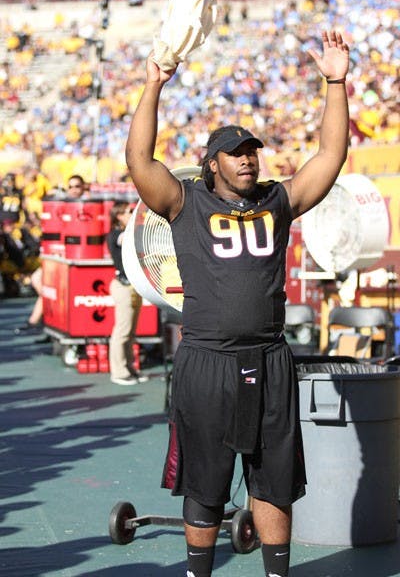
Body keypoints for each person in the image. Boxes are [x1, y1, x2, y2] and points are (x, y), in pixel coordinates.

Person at [125, 30, 349, 577]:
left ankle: (278, 574)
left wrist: (336, 82)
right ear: (212, 164)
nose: (248, 160)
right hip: (207, 359)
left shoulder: (279, 198)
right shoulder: (184, 201)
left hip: (269, 358)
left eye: (253, 151)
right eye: (236, 153)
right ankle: (198, 572)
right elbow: (138, 158)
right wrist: (153, 86)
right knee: (204, 479)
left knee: (274, 480)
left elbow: (331, 155)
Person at [14, 174, 87, 334]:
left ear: (83, 187)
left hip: (78, 257)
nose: (74, 190)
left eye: (77, 186)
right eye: (71, 187)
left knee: (49, 287)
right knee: (39, 281)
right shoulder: (64, 204)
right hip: (59, 254)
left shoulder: (87, 206)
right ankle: (48, 318)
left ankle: (41, 320)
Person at [106, 202, 148, 385]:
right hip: (123, 286)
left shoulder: (129, 231)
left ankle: (130, 368)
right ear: (118, 216)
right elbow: (125, 237)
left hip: (132, 285)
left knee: (130, 332)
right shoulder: (115, 234)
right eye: (128, 212)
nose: (132, 213)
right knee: (122, 331)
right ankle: (118, 372)